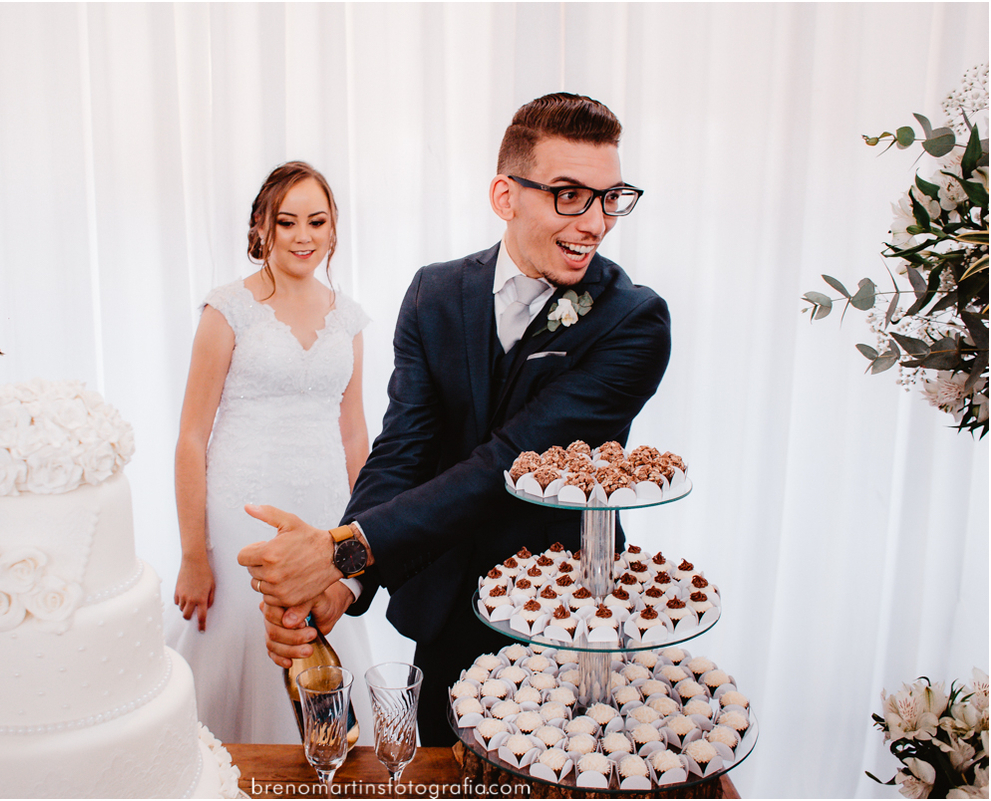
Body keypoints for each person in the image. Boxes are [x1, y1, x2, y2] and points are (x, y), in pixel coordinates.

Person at [238, 93, 672, 744]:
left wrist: (338, 549)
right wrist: (346, 584)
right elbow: (403, 450)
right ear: (506, 195)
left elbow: (508, 465)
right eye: (570, 195)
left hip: (560, 623)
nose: (595, 222)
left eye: (610, 197)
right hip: (442, 613)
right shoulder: (433, 293)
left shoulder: (634, 321)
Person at [165, 161, 376, 745]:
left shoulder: (350, 320)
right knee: (238, 647)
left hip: (326, 514)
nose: (303, 236)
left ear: (334, 230)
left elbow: (355, 435)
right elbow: (190, 436)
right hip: (241, 515)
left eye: (317, 221)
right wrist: (193, 554)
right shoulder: (227, 309)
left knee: (323, 648)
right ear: (262, 227)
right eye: (287, 222)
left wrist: (366, 534)